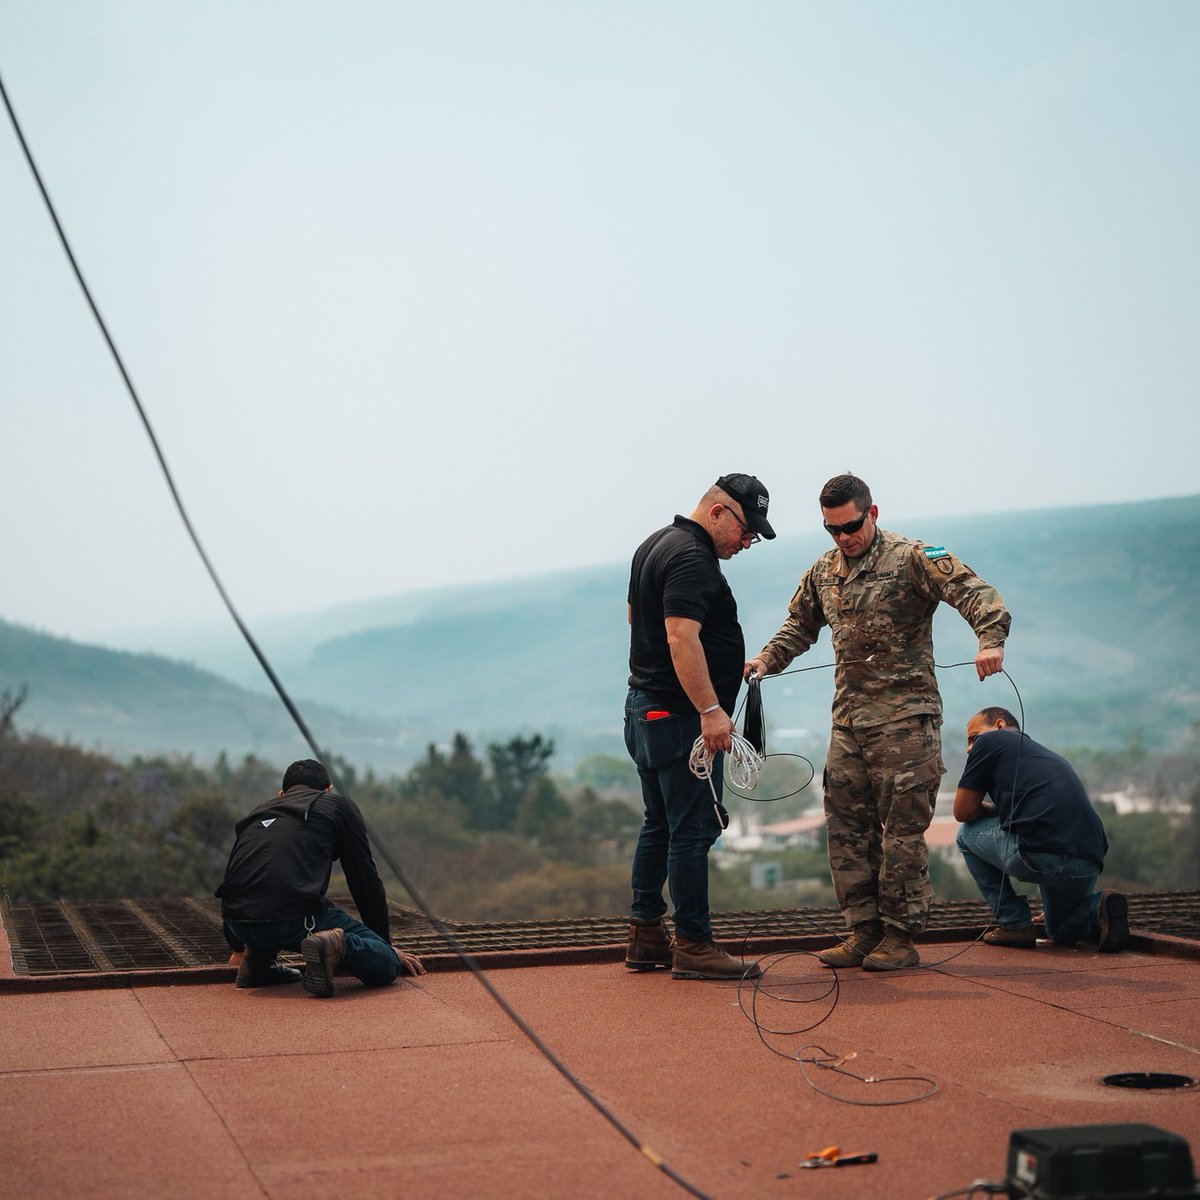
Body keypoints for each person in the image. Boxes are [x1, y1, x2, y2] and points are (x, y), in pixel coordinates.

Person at [745, 473, 1011, 971]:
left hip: (905, 722)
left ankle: (900, 937)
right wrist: (764, 660)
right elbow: (800, 625)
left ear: (872, 513)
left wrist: (989, 639)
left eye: (850, 526)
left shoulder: (913, 557)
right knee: (846, 829)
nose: (843, 538)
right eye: (832, 530)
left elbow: (975, 593)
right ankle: (862, 932)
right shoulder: (824, 570)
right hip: (849, 724)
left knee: (901, 836)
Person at [624, 474, 774, 981]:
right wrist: (710, 708)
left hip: (646, 707)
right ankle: (693, 943)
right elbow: (680, 636)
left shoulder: (653, 546)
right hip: (680, 714)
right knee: (692, 829)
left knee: (659, 823)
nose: (747, 540)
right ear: (717, 513)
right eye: (745, 528)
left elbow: (634, 618)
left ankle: (645, 934)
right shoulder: (692, 558)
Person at [216, 758, 425, 996]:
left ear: (282, 793)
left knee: (270, 896)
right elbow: (364, 880)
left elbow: (239, 875)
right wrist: (382, 947)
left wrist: (239, 944)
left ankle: (259, 962)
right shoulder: (337, 805)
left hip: (237, 923)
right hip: (293, 919)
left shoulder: (257, 813)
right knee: (388, 966)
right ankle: (337, 946)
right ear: (328, 790)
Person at [954, 707, 1129, 951]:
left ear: (1000, 725)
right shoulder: (1046, 756)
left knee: (964, 834)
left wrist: (986, 809)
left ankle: (1013, 922)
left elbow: (962, 811)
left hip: (1040, 853)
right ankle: (1099, 905)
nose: (969, 748)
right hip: (1088, 861)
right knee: (1058, 929)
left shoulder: (991, 740)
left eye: (973, 737)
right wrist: (999, 808)